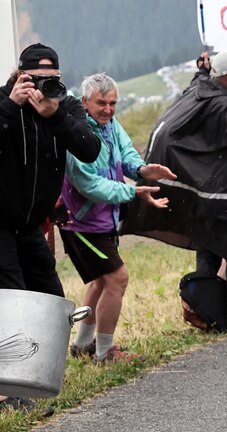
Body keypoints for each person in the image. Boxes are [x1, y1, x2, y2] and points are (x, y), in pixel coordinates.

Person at [122, 50, 227, 333]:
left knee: (209, 248)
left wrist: (202, 69)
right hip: (225, 192)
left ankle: (207, 313)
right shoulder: (221, 105)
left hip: (205, 192)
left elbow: (203, 90)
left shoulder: (199, 90)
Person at [0, 43, 100, 297]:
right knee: (8, 299)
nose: (44, 87)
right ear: (20, 77)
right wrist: (11, 105)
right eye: (37, 80)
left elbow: (90, 150)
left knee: (48, 296)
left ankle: (43, 339)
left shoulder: (64, 107)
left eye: (52, 80)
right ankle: (8, 338)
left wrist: (55, 117)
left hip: (26, 222)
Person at [60, 73, 176, 363]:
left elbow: (125, 153)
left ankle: (83, 345)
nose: (108, 110)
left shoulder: (109, 125)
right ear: (85, 101)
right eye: (102, 103)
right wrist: (132, 190)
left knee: (100, 282)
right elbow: (87, 184)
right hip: (82, 223)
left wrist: (142, 170)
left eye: (113, 103)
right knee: (117, 279)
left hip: (103, 219)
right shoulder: (76, 131)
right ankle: (105, 351)